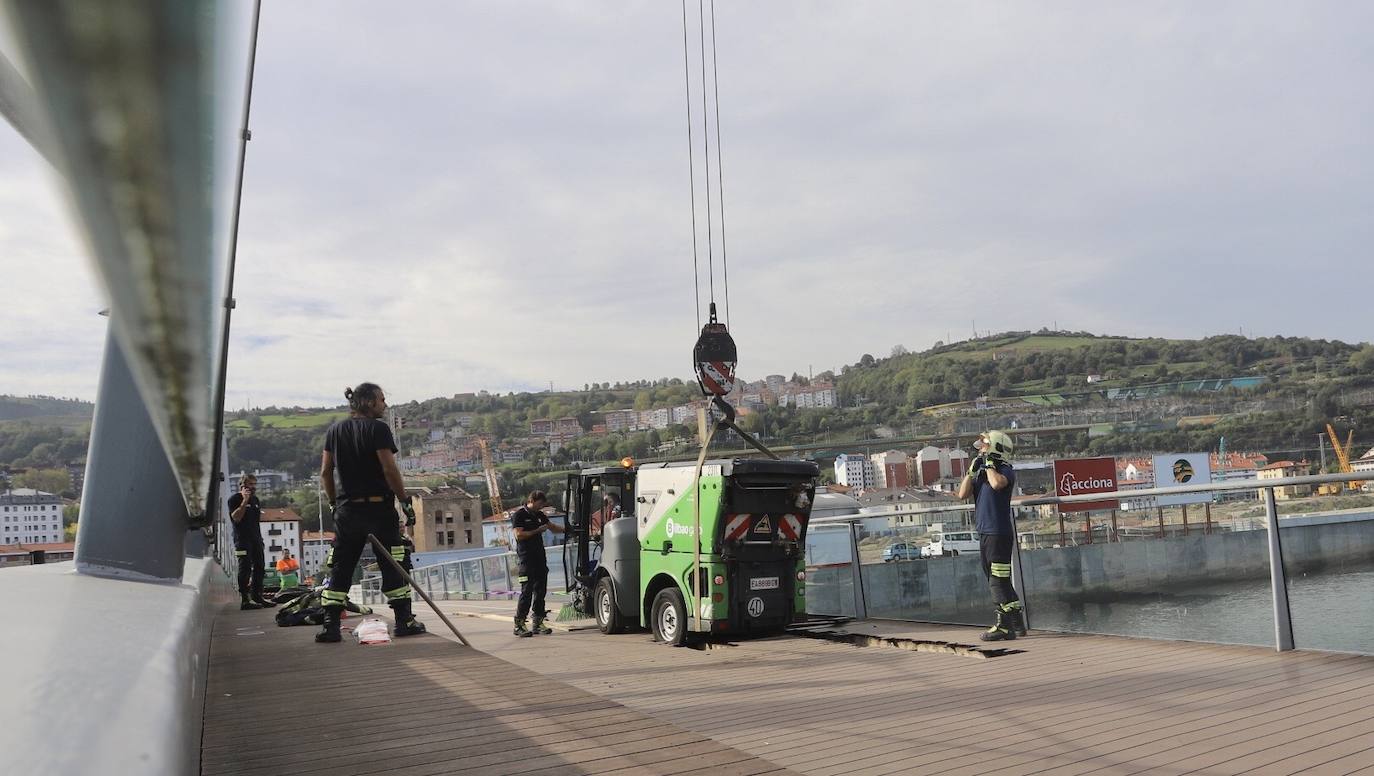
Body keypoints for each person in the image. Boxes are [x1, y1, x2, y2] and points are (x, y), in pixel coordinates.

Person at [315, 382, 426, 644]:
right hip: (378, 508)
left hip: (347, 510)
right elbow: (389, 469)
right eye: (382, 400)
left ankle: (330, 625)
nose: (385, 405)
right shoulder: (378, 429)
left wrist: (333, 503)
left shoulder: (334, 430)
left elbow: (325, 472)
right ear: (368, 402)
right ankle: (404, 621)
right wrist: (405, 501)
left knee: (341, 566)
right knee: (393, 563)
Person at [957, 429, 1025, 641]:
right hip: (985, 533)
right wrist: (971, 471)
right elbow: (961, 494)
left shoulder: (1005, 470)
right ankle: (1017, 623)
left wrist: (988, 465)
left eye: (985, 446)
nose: (981, 449)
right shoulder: (981, 473)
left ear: (995, 447)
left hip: (999, 533)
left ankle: (1003, 627)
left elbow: (997, 484)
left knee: (997, 581)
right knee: (1000, 581)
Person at [511, 490, 564, 637]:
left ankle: (538, 622)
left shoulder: (539, 515)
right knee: (526, 592)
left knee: (540, 591)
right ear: (532, 500)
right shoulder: (519, 515)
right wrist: (537, 530)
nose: (541, 507)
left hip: (540, 558)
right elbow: (519, 534)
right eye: (540, 504)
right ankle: (519, 624)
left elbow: (552, 527)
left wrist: (569, 530)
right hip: (527, 559)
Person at [228, 475, 274, 610]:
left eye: (255, 484)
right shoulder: (234, 499)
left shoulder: (256, 500)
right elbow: (236, 518)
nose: (253, 487)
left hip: (256, 539)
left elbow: (255, 521)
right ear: (242, 485)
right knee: (245, 567)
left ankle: (257, 596)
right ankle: (245, 599)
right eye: (250, 484)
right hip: (242, 540)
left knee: (260, 567)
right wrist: (244, 501)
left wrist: (260, 539)